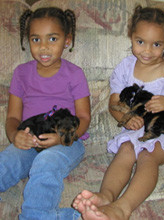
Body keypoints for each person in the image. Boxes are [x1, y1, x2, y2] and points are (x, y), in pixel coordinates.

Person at [72, 5, 164, 220]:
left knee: (147, 158)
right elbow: (114, 102)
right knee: (125, 150)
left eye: (156, 44)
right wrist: (125, 119)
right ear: (131, 37)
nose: (147, 51)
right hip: (135, 130)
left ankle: (123, 208)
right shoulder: (125, 67)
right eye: (140, 42)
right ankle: (105, 196)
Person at [0, 7, 90, 220]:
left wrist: (62, 138)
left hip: (68, 141)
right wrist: (15, 136)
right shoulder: (21, 73)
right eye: (35, 39)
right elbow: (12, 117)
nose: (43, 47)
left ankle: (36, 216)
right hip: (29, 140)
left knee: (46, 163)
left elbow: (84, 118)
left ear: (66, 41)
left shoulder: (74, 74)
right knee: (7, 161)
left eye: (52, 39)